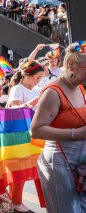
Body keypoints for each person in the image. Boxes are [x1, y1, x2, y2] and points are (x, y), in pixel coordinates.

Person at [31, 43, 86, 213]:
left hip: (79, 163)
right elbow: (36, 130)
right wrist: (74, 134)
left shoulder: (80, 88)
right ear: (71, 65)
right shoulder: (53, 92)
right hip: (58, 164)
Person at [6, 60, 44, 213]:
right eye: (37, 77)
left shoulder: (36, 90)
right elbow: (16, 110)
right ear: (27, 76)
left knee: (38, 169)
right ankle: (16, 201)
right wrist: (36, 100)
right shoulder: (17, 88)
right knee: (20, 169)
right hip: (18, 136)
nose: (39, 81)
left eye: (41, 78)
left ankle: (46, 202)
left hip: (34, 134)